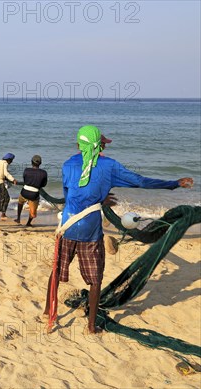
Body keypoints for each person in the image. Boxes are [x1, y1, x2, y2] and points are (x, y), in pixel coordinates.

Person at [43, 125, 193, 334]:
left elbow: (71, 196)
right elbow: (140, 181)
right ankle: (91, 326)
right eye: (103, 143)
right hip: (90, 230)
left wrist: (96, 198)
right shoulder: (109, 166)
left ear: (78, 144)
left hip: (67, 226)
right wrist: (173, 183)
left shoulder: (68, 165)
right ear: (99, 145)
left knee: (57, 269)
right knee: (95, 280)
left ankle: (47, 311)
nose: (104, 146)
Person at [15, 155, 48, 227]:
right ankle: (28, 223)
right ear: (40, 163)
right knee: (33, 212)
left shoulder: (26, 170)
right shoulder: (44, 173)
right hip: (34, 194)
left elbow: (25, 180)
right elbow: (44, 184)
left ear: (31, 162)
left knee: (20, 202)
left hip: (24, 191)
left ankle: (18, 218)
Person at [0, 153, 17, 220]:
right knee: (6, 198)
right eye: (11, 160)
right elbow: (6, 173)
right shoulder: (5, 163)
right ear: (9, 159)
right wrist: (13, 179)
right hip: (0, 182)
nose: (11, 162)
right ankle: (3, 214)